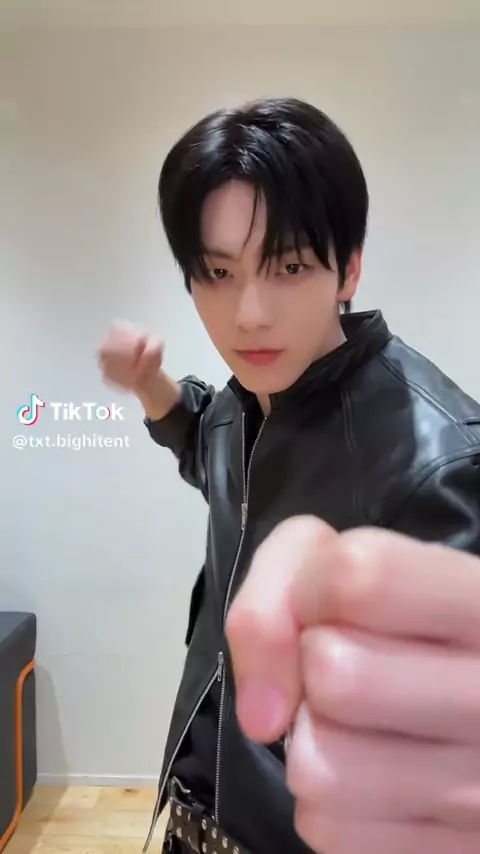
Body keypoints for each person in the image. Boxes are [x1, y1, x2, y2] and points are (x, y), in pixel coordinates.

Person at [97, 97, 480, 854]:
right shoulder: (242, 404)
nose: (250, 314)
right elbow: (203, 446)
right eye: (218, 272)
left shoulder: (442, 458)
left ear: (349, 266)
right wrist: (148, 384)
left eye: (290, 266)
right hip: (190, 818)